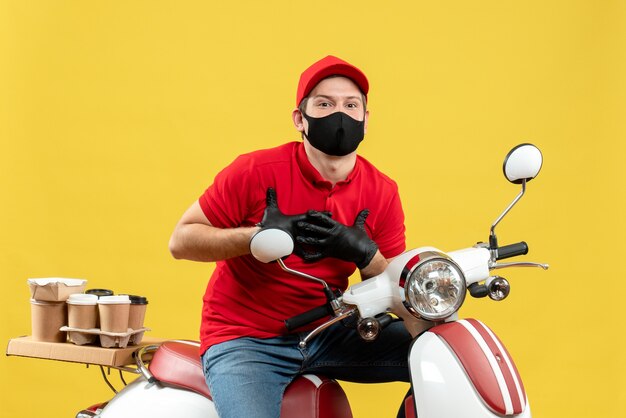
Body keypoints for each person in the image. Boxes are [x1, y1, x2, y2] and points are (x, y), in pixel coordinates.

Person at [169, 55, 412, 418]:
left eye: (351, 105)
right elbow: (181, 241)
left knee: (442, 354)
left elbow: (395, 294)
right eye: (324, 104)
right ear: (300, 118)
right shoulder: (255, 171)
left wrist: (365, 253)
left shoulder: (382, 191)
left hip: (331, 331)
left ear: (365, 117)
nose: (339, 115)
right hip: (247, 338)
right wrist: (255, 237)